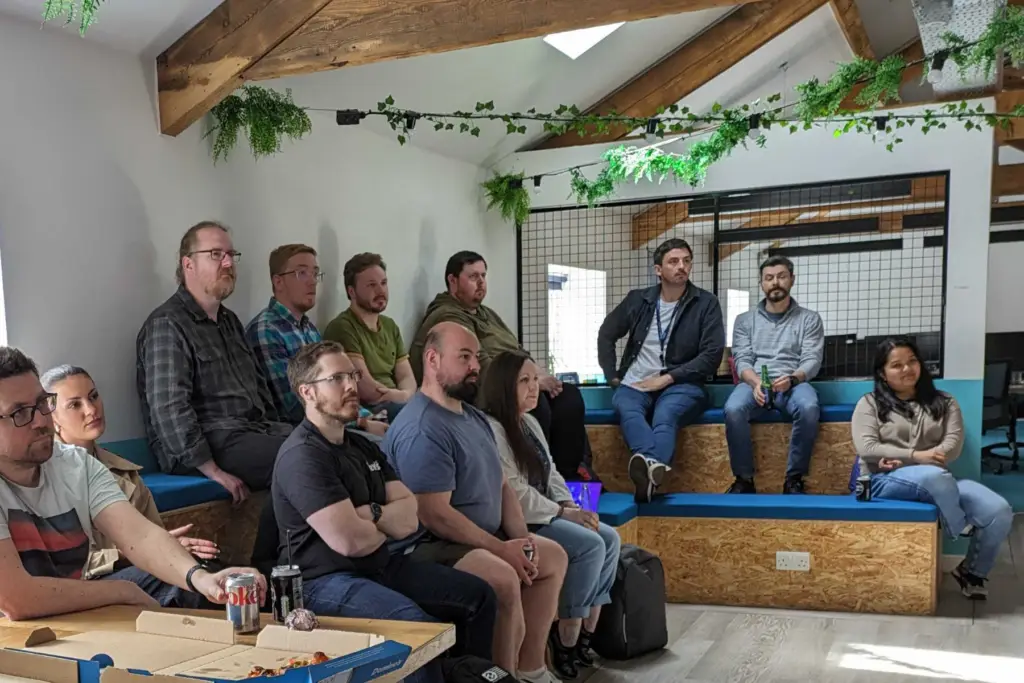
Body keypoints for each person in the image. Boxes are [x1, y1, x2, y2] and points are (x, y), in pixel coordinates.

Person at [272, 341, 497, 683]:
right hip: (321, 582)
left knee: (479, 596)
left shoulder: (360, 445)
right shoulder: (302, 456)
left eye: (353, 375)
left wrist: (369, 513)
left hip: (379, 566)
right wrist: (382, 520)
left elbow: (410, 516)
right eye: (337, 379)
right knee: (417, 632)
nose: (351, 386)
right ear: (308, 392)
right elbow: (350, 541)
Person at [0, 346, 266, 621]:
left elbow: (140, 536)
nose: (41, 421)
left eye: (42, 403)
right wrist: (122, 592)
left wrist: (201, 579)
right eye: (19, 413)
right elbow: (17, 599)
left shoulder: (75, 464)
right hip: (13, 639)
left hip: (68, 618)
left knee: (191, 591)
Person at [384, 322, 568, 683]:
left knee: (551, 556)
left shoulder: (474, 417)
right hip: (432, 545)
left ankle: (533, 670)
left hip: (482, 535)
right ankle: (504, 678)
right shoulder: (423, 426)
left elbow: (501, 485)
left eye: (477, 358)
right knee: (503, 577)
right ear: (432, 360)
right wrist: (503, 549)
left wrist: (520, 540)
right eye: (464, 357)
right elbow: (434, 514)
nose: (475, 367)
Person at [480, 350, 620, 680]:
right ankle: (566, 634)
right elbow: (514, 492)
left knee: (610, 538)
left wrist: (570, 505)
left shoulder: (529, 421)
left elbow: (551, 472)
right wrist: (561, 513)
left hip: (548, 511)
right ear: (503, 386)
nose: (533, 388)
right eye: (524, 381)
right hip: (521, 519)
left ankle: (587, 632)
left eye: (534, 379)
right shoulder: (492, 428)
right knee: (590, 545)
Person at [136, 221, 293, 504]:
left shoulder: (230, 322)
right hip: (208, 445)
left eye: (232, 255)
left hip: (251, 435)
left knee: (341, 445)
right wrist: (212, 469)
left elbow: (261, 390)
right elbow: (169, 409)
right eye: (216, 254)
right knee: (304, 458)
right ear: (188, 264)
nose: (228, 262)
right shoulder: (167, 324)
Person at [408, 251, 594, 482]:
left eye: (483, 276)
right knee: (536, 405)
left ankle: (567, 479)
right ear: (452, 281)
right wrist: (530, 380)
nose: (481, 282)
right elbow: (480, 365)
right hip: (484, 388)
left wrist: (538, 375)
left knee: (569, 398)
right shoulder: (447, 315)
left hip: (516, 378)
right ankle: (534, 479)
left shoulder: (487, 314)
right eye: (473, 276)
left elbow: (518, 351)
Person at [40, 365, 219, 603]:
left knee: (210, 571)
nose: (91, 409)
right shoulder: (43, 474)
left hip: (131, 570)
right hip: (77, 585)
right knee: (182, 587)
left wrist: (175, 548)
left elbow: (151, 536)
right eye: (75, 404)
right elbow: (64, 562)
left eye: (93, 397)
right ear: (52, 419)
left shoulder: (126, 473)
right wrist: (125, 555)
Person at [852, 337, 1013, 600]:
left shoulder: (945, 402)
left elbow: (952, 445)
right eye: (897, 365)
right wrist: (917, 456)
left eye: (912, 361)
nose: (907, 369)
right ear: (882, 373)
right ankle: (958, 526)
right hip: (882, 480)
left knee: (998, 510)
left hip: (938, 480)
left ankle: (971, 572)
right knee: (935, 476)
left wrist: (908, 458)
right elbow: (868, 448)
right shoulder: (869, 404)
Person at [597, 238, 725, 503]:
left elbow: (711, 356)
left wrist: (667, 378)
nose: (682, 267)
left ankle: (647, 467)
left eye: (687, 261)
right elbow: (606, 334)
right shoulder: (638, 300)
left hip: (682, 383)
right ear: (658, 270)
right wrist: (612, 376)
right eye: (674, 261)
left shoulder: (706, 303)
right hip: (636, 381)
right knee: (627, 406)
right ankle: (651, 468)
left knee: (666, 414)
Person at [724, 255, 824, 494]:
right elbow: (742, 360)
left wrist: (793, 379)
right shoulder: (744, 320)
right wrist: (757, 384)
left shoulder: (809, 319)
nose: (775, 282)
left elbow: (812, 359)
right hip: (754, 382)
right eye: (769, 278)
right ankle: (744, 479)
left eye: (781, 276)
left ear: (792, 280)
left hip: (793, 382)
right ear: (761, 283)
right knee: (733, 409)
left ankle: (794, 479)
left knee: (809, 407)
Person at [323, 253, 416, 420]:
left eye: (384, 283)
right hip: (369, 410)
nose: (381, 291)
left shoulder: (390, 326)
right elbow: (365, 389)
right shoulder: (343, 327)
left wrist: (405, 395)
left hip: (397, 402)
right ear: (352, 291)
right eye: (371, 285)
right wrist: (403, 397)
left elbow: (406, 376)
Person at [246, 244, 325, 424]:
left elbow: (332, 385)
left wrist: (363, 416)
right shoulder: (266, 330)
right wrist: (356, 420)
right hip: (298, 432)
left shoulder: (311, 330)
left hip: (329, 420)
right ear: (278, 281)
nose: (312, 281)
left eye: (315, 273)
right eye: (302, 273)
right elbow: (294, 405)